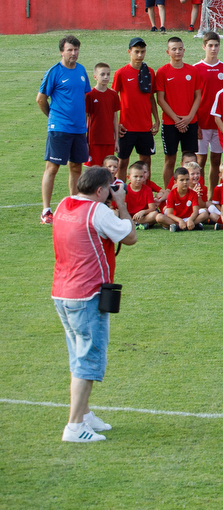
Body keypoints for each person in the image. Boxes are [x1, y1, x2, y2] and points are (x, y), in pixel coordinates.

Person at [50, 165, 135, 443]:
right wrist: (121, 204)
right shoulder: (97, 211)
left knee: (77, 354)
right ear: (100, 191)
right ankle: (74, 427)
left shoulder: (64, 203)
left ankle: (84, 414)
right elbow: (129, 236)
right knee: (88, 358)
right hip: (87, 294)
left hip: (62, 292)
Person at [39, 35, 92, 225]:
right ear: (62, 51)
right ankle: (46, 211)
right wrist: (53, 117)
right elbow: (41, 99)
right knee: (52, 167)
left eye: (76, 49)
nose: (74, 53)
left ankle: (74, 205)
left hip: (78, 129)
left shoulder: (81, 70)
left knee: (76, 167)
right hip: (59, 128)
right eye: (70, 50)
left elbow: (84, 96)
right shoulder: (54, 72)